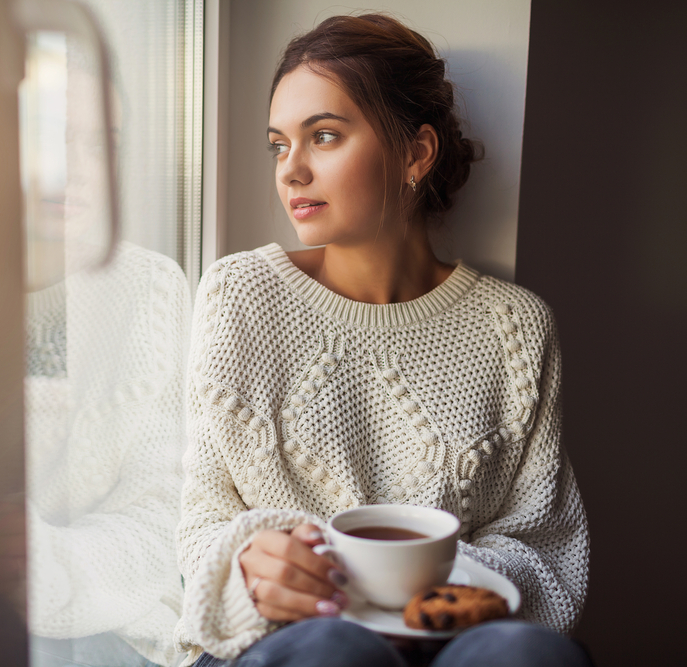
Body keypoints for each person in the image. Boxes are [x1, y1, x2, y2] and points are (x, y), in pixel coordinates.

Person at [173, 14, 591, 667]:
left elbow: (544, 545)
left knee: (530, 658)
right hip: (286, 638)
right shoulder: (240, 295)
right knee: (336, 650)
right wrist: (250, 563)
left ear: (416, 154)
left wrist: (410, 584)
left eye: (325, 136)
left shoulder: (515, 326)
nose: (292, 171)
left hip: (453, 643)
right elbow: (201, 522)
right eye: (279, 145)